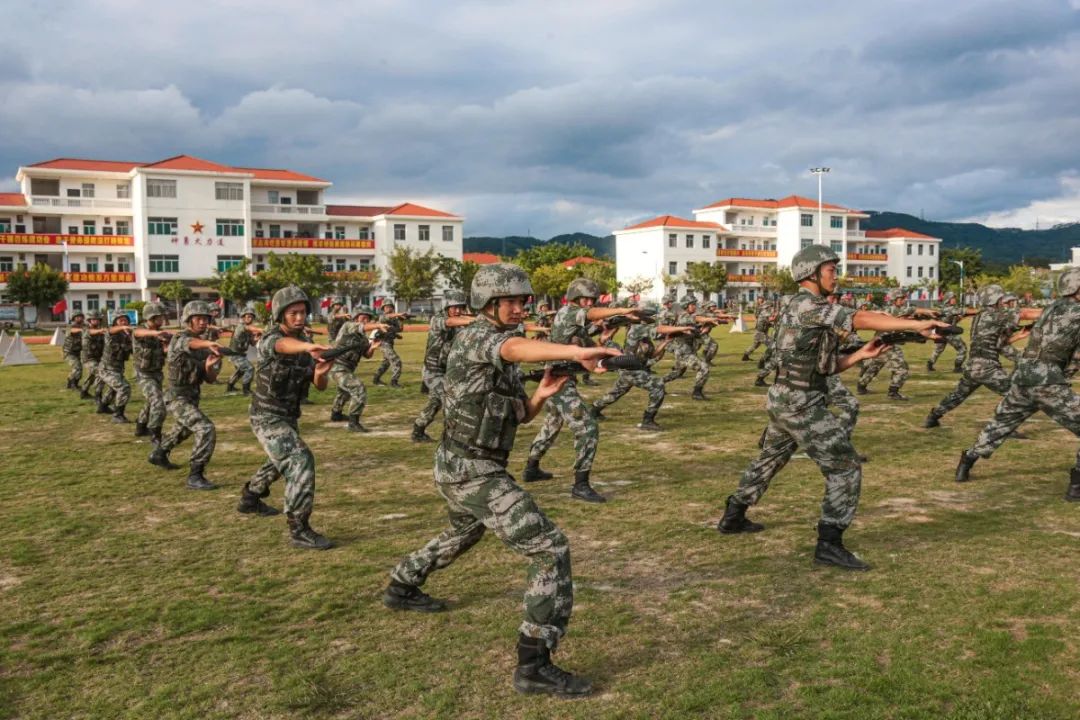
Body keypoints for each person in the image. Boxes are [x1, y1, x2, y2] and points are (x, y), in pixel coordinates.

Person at [382, 263, 618, 697]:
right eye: (508, 300)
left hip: (468, 466)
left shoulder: (497, 352)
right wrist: (573, 352)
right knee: (549, 547)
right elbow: (514, 348)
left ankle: (402, 583)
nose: (517, 307)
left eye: (521, 300)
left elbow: (518, 415)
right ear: (487, 304)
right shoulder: (477, 337)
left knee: (462, 533)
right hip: (471, 471)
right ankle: (534, 664)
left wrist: (541, 396)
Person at [718, 246, 946, 570]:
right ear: (811, 274)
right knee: (845, 466)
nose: (835, 276)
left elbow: (824, 367)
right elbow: (858, 318)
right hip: (799, 403)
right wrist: (915, 325)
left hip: (788, 398)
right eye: (830, 270)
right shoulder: (809, 305)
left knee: (769, 460)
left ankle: (733, 516)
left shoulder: (803, 307)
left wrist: (860, 356)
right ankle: (829, 543)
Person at [955, 267, 1080, 501]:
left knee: (1000, 424)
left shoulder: (1051, 308)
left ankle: (967, 460)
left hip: (1024, 374)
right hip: (1047, 379)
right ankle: (1077, 485)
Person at [523, 277, 640, 502]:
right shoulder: (567, 313)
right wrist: (624, 310)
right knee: (587, 428)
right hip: (557, 380)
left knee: (552, 425)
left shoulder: (578, 326)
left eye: (593, 299)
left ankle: (531, 468)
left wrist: (606, 347)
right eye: (587, 299)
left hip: (561, 380)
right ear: (576, 298)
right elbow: (591, 316)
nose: (590, 303)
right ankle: (580, 484)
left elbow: (589, 351)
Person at [238, 286, 337, 549]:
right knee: (299, 459)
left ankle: (250, 497)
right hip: (266, 415)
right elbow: (281, 346)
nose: (299, 317)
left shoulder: (304, 343)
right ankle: (299, 528)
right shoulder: (272, 338)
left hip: (288, 416)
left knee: (277, 460)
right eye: (293, 313)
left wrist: (321, 370)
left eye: (303, 312)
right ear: (282, 314)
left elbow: (320, 385)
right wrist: (308, 346)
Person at [923, 285, 1041, 429]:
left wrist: (1019, 335)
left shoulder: (980, 317)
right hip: (987, 367)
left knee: (957, 396)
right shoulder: (995, 315)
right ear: (996, 300)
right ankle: (1002, 426)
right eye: (1001, 299)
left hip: (973, 366)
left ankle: (933, 416)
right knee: (1017, 394)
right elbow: (1024, 313)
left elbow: (998, 343)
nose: (1003, 301)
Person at [148, 301, 225, 490]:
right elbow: (190, 343)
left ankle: (159, 453)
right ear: (189, 320)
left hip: (192, 396)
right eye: (198, 318)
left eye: (206, 319)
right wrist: (209, 343)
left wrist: (209, 367)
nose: (203, 322)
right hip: (177, 397)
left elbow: (210, 378)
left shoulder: (206, 348)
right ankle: (195, 475)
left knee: (183, 429)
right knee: (205, 428)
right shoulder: (180, 339)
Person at [590, 301, 690, 430]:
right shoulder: (637, 329)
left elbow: (652, 355)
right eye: (652, 316)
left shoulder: (644, 335)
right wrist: (681, 328)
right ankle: (647, 420)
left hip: (633, 368)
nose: (655, 319)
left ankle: (594, 410)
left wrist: (666, 342)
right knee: (658, 385)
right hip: (631, 369)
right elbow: (659, 329)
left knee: (615, 393)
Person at [412, 290, 473, 442]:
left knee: (434, 403)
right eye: (454, 307)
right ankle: (453, 438)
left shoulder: (460, 324)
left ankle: (417, 431)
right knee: (449, 400)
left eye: (460, 307)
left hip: (446, 371)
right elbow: (450, 322)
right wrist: (475, 320)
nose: (458, 311)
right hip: (432, 371)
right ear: (446, 307)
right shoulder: (437, 319)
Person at [856, 292, 936, 400]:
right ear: (895, 300)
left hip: (879, 343)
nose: (903, 300)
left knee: (875, 366)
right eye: (901, 298)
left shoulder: (886, 310)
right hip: (887, 343)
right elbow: (914, 310)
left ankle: (861, 387)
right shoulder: (894, 310)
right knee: (902, 369)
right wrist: (929, 312)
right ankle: (893, 392)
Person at [327, 306, 384, 432]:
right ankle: (353, 422)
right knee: (358, 388)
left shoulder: (363, 339)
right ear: (356, 317)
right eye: (363, 318)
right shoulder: (348, 326)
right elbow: (361, 327)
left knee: (344, 391)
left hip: (348, 368)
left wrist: (373, 347)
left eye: (367, 319)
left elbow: (367, 355)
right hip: (337, 366)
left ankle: (336, 414)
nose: (365, 321)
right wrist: (378, 325)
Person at [662, 293, 716, 400]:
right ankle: (697, 392)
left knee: (677, 372)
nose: (695, 306)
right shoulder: (684, 316)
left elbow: (694, 332)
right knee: (704, 368)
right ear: (686, 305)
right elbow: (698, 318)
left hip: (686, 350)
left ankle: (658, 383)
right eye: (693, 304)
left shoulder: (687, 318)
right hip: (683, 351)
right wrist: (709, 319)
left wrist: (703, 330)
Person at [132, 302, 170, 444]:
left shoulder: (160, 333)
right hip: (143, 374)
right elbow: (137, 333)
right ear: (151, 317)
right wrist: (155, 333)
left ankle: (141, 427)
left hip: (156, 373)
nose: (162, 320)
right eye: (159, 318)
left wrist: (167, 345)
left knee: (151, 402)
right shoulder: (140, 330)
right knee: (157, 402)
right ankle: (156, 434)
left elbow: (164, 351)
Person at [95, 312, 134, 423]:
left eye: (125, 320)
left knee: (114, 389)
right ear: (115, 322)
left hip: (117, 369)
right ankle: (118, 415)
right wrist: (123, 327)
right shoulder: (110, 332)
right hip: (106, 369)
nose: (124, 322)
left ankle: (102, 407)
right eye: (120, 320)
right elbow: (109, 330)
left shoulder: (126, 336)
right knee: (124, 387)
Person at [926, 292, 970, 372]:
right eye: (952, 298)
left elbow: (951, 320)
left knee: (938, 350)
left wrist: (959, 318)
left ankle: (930, 364)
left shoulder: (942, 308)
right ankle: (958, 367)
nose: (954, 300)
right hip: (949, 333)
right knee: (962, 348)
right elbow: (964, 312)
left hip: (940, 332)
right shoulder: (951, 309)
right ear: (948, 300)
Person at [225, 305, 261, 395]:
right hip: (234, 354)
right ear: (243, 317)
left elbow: (252, 343)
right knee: (249, 368)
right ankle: (246, 389)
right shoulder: (241, 326)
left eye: (251, 317)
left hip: (240, 354)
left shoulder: (249, 330)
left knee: (241, 371)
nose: (250, 318)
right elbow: (249, 328)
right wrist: (261, 330)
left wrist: (256, 338)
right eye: (248, 316)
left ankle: (230, 386)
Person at [372, 301, 406, 387]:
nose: (388, 308)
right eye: (386, 307)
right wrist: (398, 314)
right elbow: (387, 316)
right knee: (396, 360)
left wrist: (401, 320)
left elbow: (399, 329)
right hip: (383, 342)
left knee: (386, 363)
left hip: (389, 342)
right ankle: (394, 382)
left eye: (390, 307)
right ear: (383, 309)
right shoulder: (382, 317)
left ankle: (376, 379)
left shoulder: (395, 319)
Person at [78, 310, 105, 400]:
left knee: (92, 376)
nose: (96, 321)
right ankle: (98, 395)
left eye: (97, 319)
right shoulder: (85, 329)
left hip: (98, 358)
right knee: (100, 373)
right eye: (94, 319)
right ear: (89, 320)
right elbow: (90, 332)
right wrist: (101, 331)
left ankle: (84, 392)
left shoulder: (101, 331)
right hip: (88, 359)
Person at [742, 297, 776, 361]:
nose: (771, 308)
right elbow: (770, 320)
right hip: (760, 333)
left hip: (759, 333)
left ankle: (745, 356)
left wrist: (773, 325)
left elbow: (768, 323)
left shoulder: (765, 313)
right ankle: (767, 358)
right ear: (767, 307)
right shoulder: (764, 313)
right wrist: (776, 316)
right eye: (770, 306)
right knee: (771, 344)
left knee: (755, 345)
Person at [62, 311, 86, 390]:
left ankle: (72, 383)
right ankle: (73, 384)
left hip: (78, 352)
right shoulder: (70, 326)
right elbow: (71, 331)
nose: (79, 318)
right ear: (74, 318)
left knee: (79, 369)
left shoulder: (85, 326)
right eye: (77, 317)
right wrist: (81, 330)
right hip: (69, 352)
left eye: (81, 316)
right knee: (77, 367)